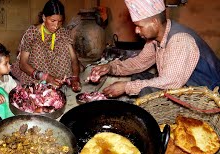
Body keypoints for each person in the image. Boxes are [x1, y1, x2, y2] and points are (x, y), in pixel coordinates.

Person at [90, 0, 220, 97]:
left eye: (139, 26)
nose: (136, 30)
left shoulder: (180, 40)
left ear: (154, 22)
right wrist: (111, 67)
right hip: (182, 85)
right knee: (139, 77)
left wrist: (126, 87)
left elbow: (170, 83)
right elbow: (139, 63)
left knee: (143, 90)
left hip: (206, 94)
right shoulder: (155, 39)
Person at [11, 0, 81, 92]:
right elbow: (23, 64)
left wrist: (75, 78)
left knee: (64, 44)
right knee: (37, 46)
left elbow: (74, 59)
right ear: (44, 17)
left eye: (60, 21)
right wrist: (46, 77)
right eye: (53, 21)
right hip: (36, 82)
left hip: (59, 83)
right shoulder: (31, 34)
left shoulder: (63, 33)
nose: (56, 25)